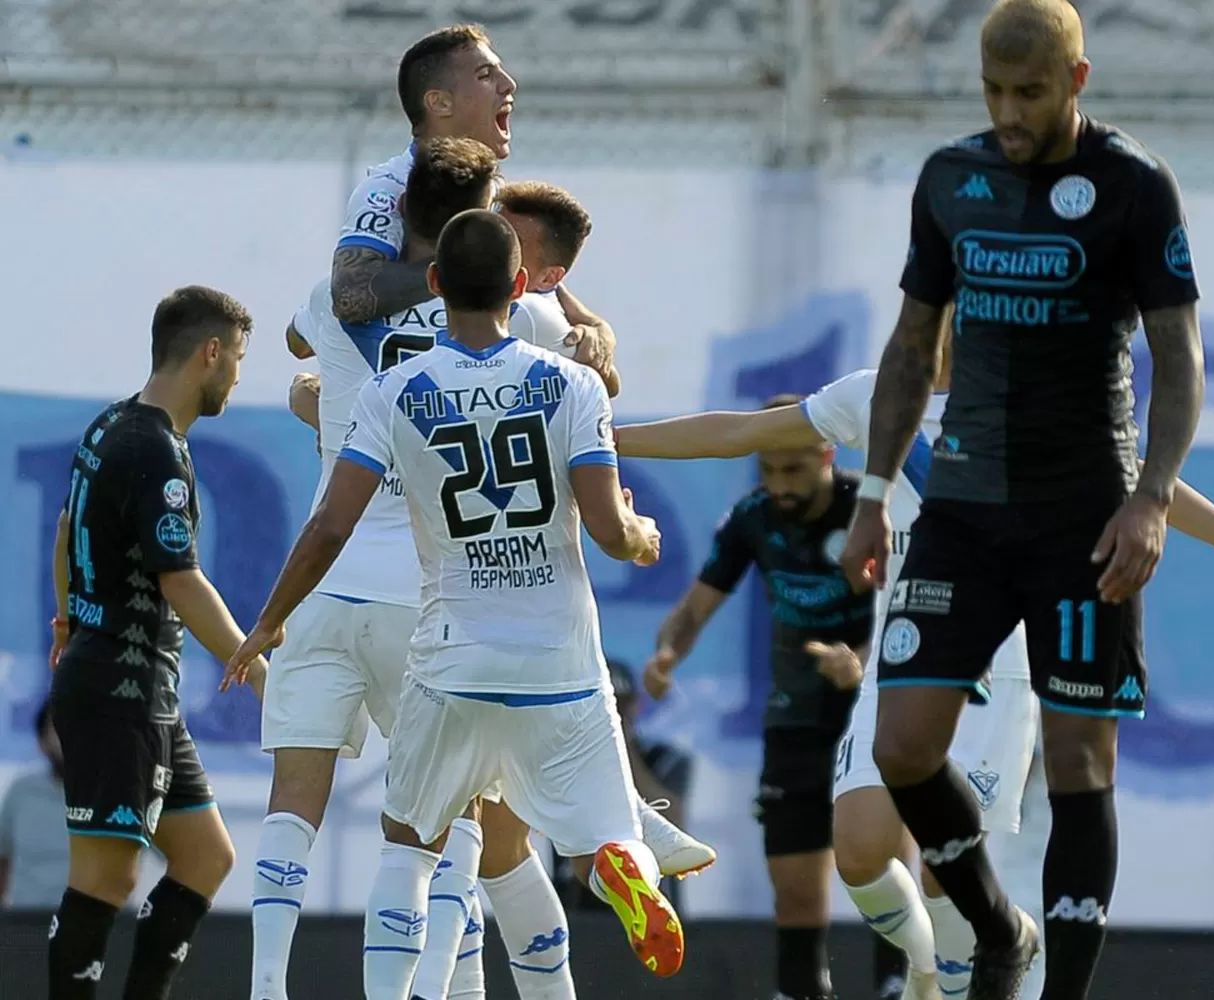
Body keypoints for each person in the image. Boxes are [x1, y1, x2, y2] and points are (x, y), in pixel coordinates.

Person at [615, 310, 1214, 1000]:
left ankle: (969, 971)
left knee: (941, 869)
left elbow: (1147, 482)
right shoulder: (876, 396)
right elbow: (742, 430)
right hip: (908, 646)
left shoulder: (1039, 409)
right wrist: (605, 440)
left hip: (1001, 663)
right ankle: (930, 967)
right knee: (861, 848)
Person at [261, 142, 711, 1000]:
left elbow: (327, 522)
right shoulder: (568, 380)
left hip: (450, 651)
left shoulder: (398, 393)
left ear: (432, 283)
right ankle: (623, 855)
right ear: (521, 286)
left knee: (412, 844)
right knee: (572, 828)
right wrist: (645, 536)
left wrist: (270, 620)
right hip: (558, 662)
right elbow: (613, 528)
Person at [838, 1, 1210, 994]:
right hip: (963, 510)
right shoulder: (952, 179)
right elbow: (914, 347)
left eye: (1030, 92)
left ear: (1076, 81)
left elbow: (1179, 361)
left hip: (1084, 518)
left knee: (1081, 764)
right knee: (903, 744)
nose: (1009, 111)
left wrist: (1154, 498)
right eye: (993, 91)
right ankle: (999, 927)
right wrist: (874, 494)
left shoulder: (1133, 186)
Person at [643, 398, 906, 1000]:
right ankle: (802, 991)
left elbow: (906, 608)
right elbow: (694, 608)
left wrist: (861, 662)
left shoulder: (869, 511)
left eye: (793, 470)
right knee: (795, 883)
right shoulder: (754, 518)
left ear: (826, 456)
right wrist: (667, 655)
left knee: (883, 859)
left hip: (872, 710)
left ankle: (901, 982)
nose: (780, 486)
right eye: (769, 471)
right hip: (796, 716)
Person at [46, 286, 267, 1000]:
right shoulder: (157, 452)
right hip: (120, 685)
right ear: (210, 352)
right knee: (106, 876)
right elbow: (181, 580)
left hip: (134, 685)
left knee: (205, 856)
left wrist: (65, 622)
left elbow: (62, 527)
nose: (237, 374)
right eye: (236, 357)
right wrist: (253, 663)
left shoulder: (113, 424)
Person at [328, 23, 618, 391]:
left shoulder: (490, 187)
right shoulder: (389, 187)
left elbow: (532, 279)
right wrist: (474, 270)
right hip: (399, 426)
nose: (508, 83)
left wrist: (597, 329)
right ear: (439, 103)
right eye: (485, 75)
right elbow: (350, 294)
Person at [551, 658, 698, 911]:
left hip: (651, 906)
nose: (613, 714)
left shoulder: (667, 759)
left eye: (621, 704)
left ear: (636, 705)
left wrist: (620, 749)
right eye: (605, 705)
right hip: (578, 904)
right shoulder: (562, 761)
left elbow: (674, 822)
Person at [0, 701, 69, 910]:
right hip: (27, 927)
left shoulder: (114, 796)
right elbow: (2, 858)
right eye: (58, 728)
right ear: (41, 742)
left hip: (94, 930)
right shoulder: (21, 792)